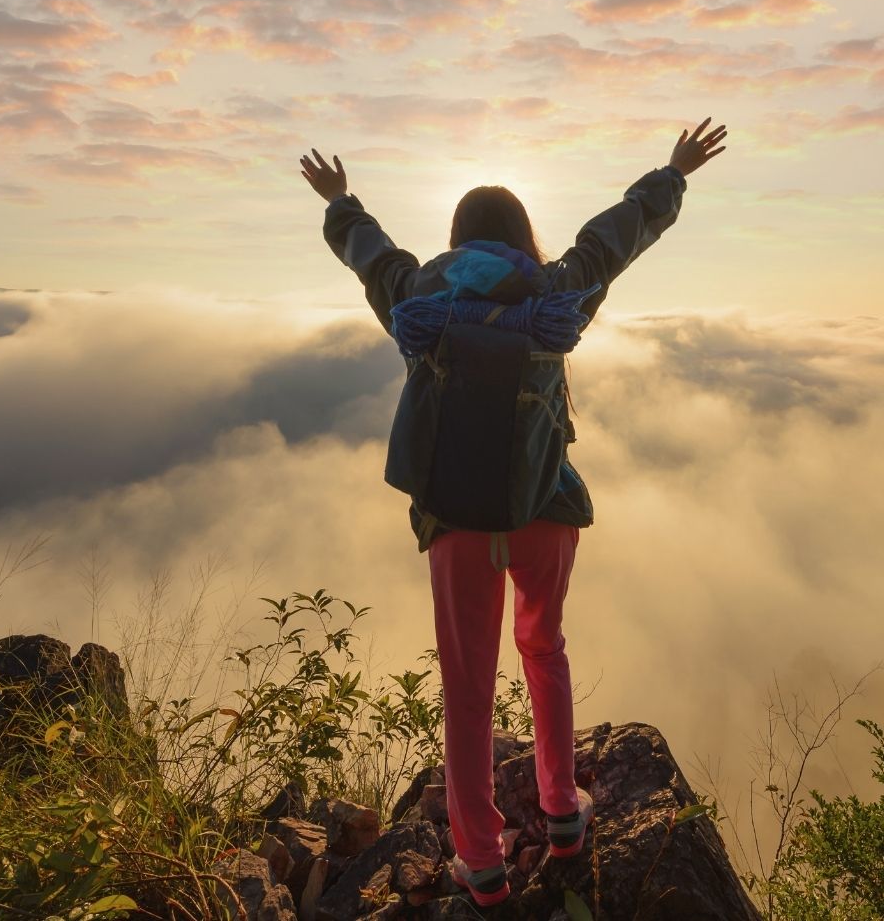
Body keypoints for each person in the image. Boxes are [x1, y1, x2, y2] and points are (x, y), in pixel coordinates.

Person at [301, 117, 729, 906]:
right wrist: (673, 173)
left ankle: (481, 863)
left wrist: (340, 200)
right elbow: (612, 242)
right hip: (545, 507)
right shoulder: (554, 292)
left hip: (456, 523)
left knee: (466, 683)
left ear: (458, 234)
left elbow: (374, 260)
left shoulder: (423, 296)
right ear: (520, 234)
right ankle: (564, 815)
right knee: (545, 649)